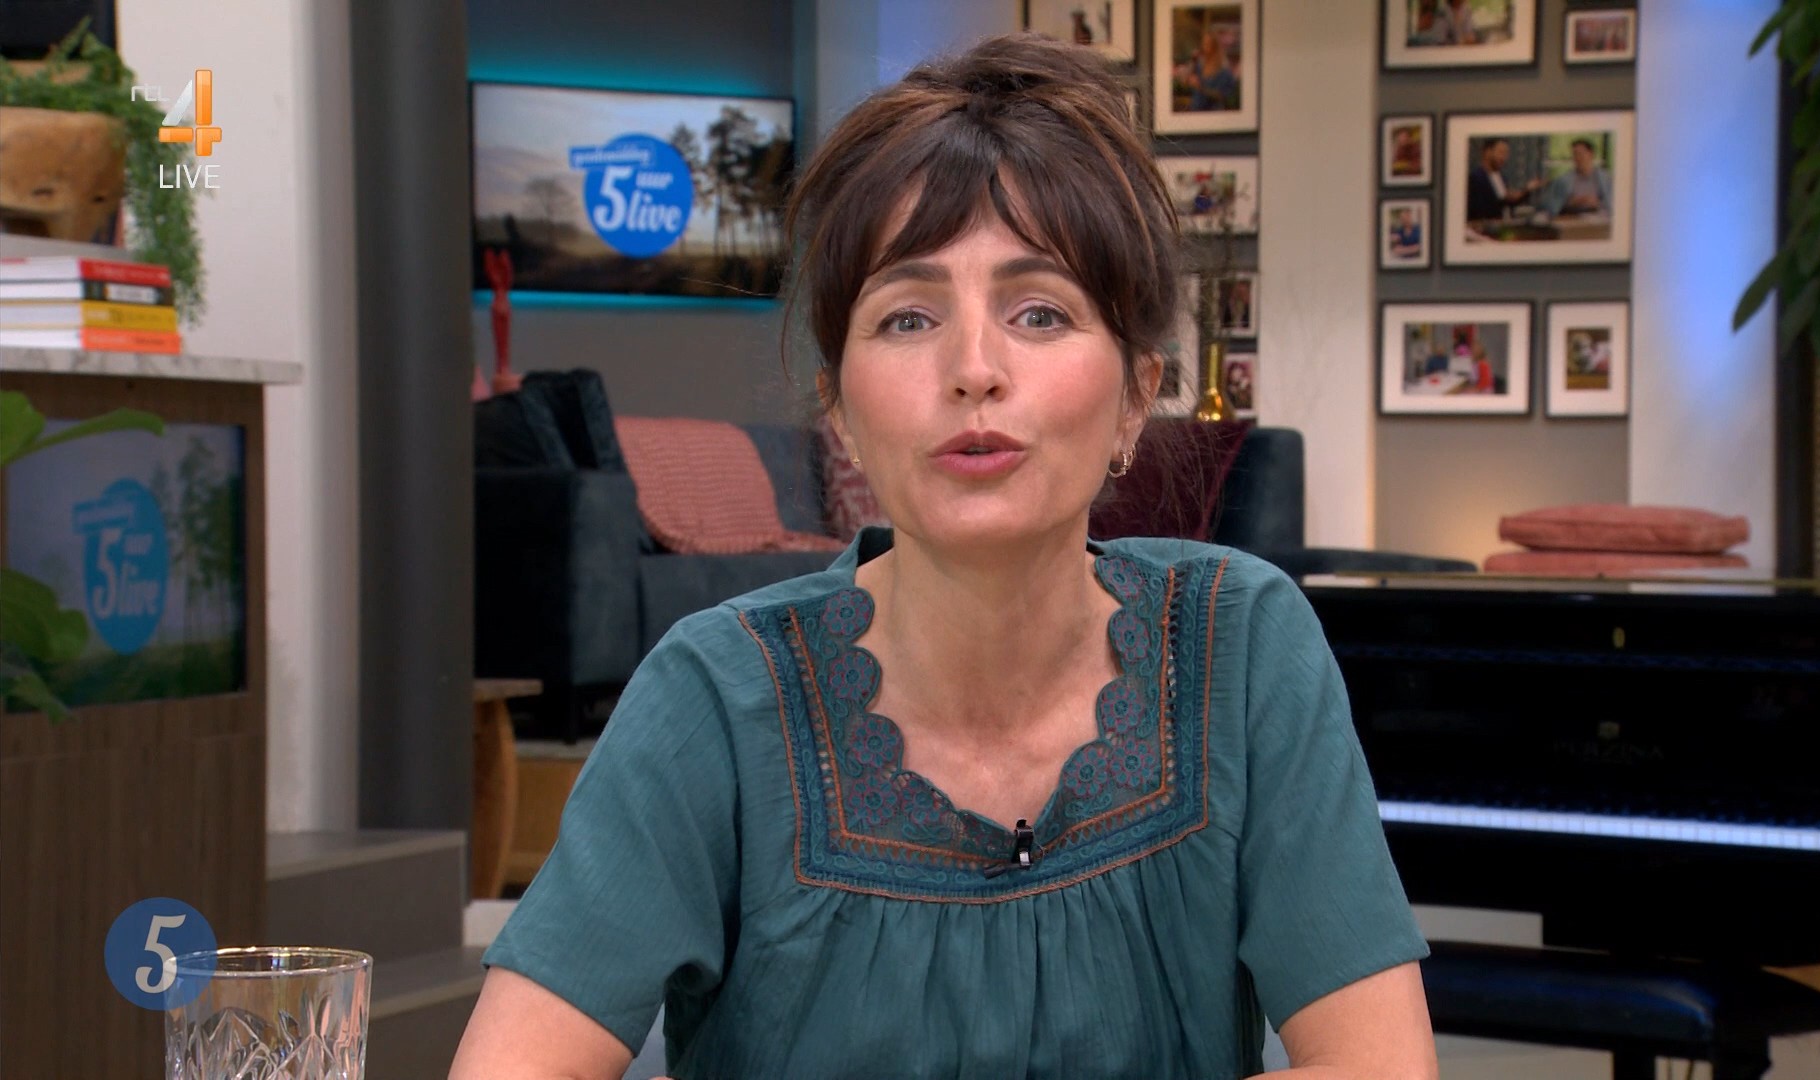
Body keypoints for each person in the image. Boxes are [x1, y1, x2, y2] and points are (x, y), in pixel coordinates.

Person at [451, 33, 1436, 1080]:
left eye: (1039, 312)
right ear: (839, 409)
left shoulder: (1240, 646)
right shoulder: (714, 696)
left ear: (1135, 397)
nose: (973, 368)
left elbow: (1379, 1067)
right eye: (908, 317)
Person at [1465, 138, 1543, 223]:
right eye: (1501, 152)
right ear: (1488, 152)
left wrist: (1527, 189)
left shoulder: (1501, 177)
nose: (1504, 158)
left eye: (1506, 154)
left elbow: (1507, 202)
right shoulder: (1475, 178)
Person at [1539, 138, 1613, 217]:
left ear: (1591, 154)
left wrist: (1597, 202)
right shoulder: (1564, 180)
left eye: (1580, 154)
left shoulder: (1605, 178)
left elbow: (1612, 203)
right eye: (1575, 154)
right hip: (1572, 218)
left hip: (1600, 218)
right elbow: (1549, 205)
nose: (1577, 158)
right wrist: (1572, 202)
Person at [1178, 28, 1241, 111]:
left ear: (1214, 47)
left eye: (1207, 44)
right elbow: (1184, 80)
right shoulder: (1200, 66)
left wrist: (1200, 88)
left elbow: (1220, 96)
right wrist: (1193, 61)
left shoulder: (1223, 70)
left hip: (1212, 113)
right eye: (1203, 43)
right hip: (1196, 111)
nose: (1204, 47)